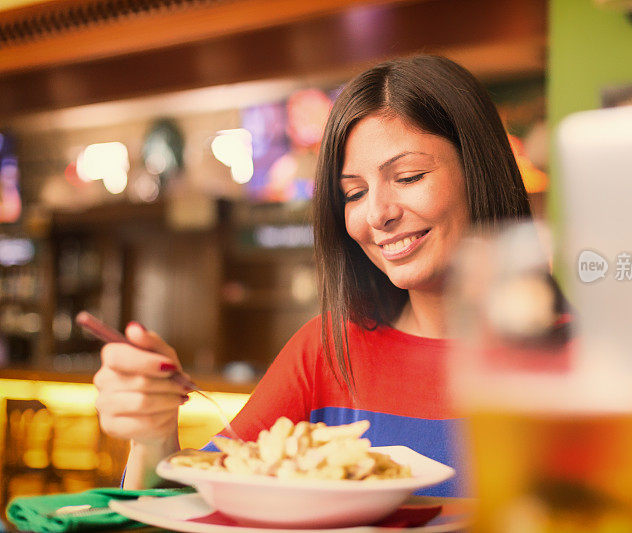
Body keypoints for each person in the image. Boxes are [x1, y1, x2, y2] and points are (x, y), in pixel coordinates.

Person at [93, 55, 571, 497]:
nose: (378, 214)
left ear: (479, 169)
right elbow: (201, 502)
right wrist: (152, 438)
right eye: (354, 193)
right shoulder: (327, 351)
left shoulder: (587, 359)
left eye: (407, 177)